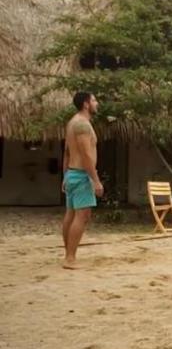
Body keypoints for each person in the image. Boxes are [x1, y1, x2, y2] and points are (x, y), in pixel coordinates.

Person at [61, 91, 103, 269]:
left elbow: (67, 152)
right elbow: (86, 155)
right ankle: (70, 258)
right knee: (82, 216)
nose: (97, 103)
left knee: (71, 214)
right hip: (81, 175)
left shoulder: (73, 122)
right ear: (86, 104)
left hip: (72, 173)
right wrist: (95, 180)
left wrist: (65, 176)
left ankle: (69, 254)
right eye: (94, 100)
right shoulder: (82, 125)